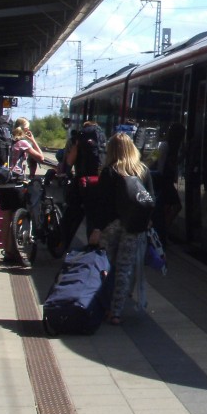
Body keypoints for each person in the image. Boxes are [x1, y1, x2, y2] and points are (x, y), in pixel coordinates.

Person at [87, 132, 155, 325]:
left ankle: (101, 305)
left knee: (105, 268)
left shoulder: (109, 171)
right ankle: (115, 312)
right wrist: (147, 221)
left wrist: (97, 228)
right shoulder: (143, 171)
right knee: (124, 269)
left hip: (112, 226)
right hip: (133, 227)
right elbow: (151, 199)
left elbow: (101, 204)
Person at [59, 119, 106, 254]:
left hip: (82, 181)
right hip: (98, 182)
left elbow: (70, 160)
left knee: (71, 214)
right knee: (93, 217)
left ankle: (62, 244)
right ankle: (93, 249)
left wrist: (67, 171)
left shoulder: (80, 138)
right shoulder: (102, 138)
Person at [151, 122, 184, 240]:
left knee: (167, 207)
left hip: (164, 180)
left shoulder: (166, 146)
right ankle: (163, 230)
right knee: (175, 205)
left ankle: (162, 231)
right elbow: (156, 162)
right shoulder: (165, 146)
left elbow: (152, 158)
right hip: (162, 180)